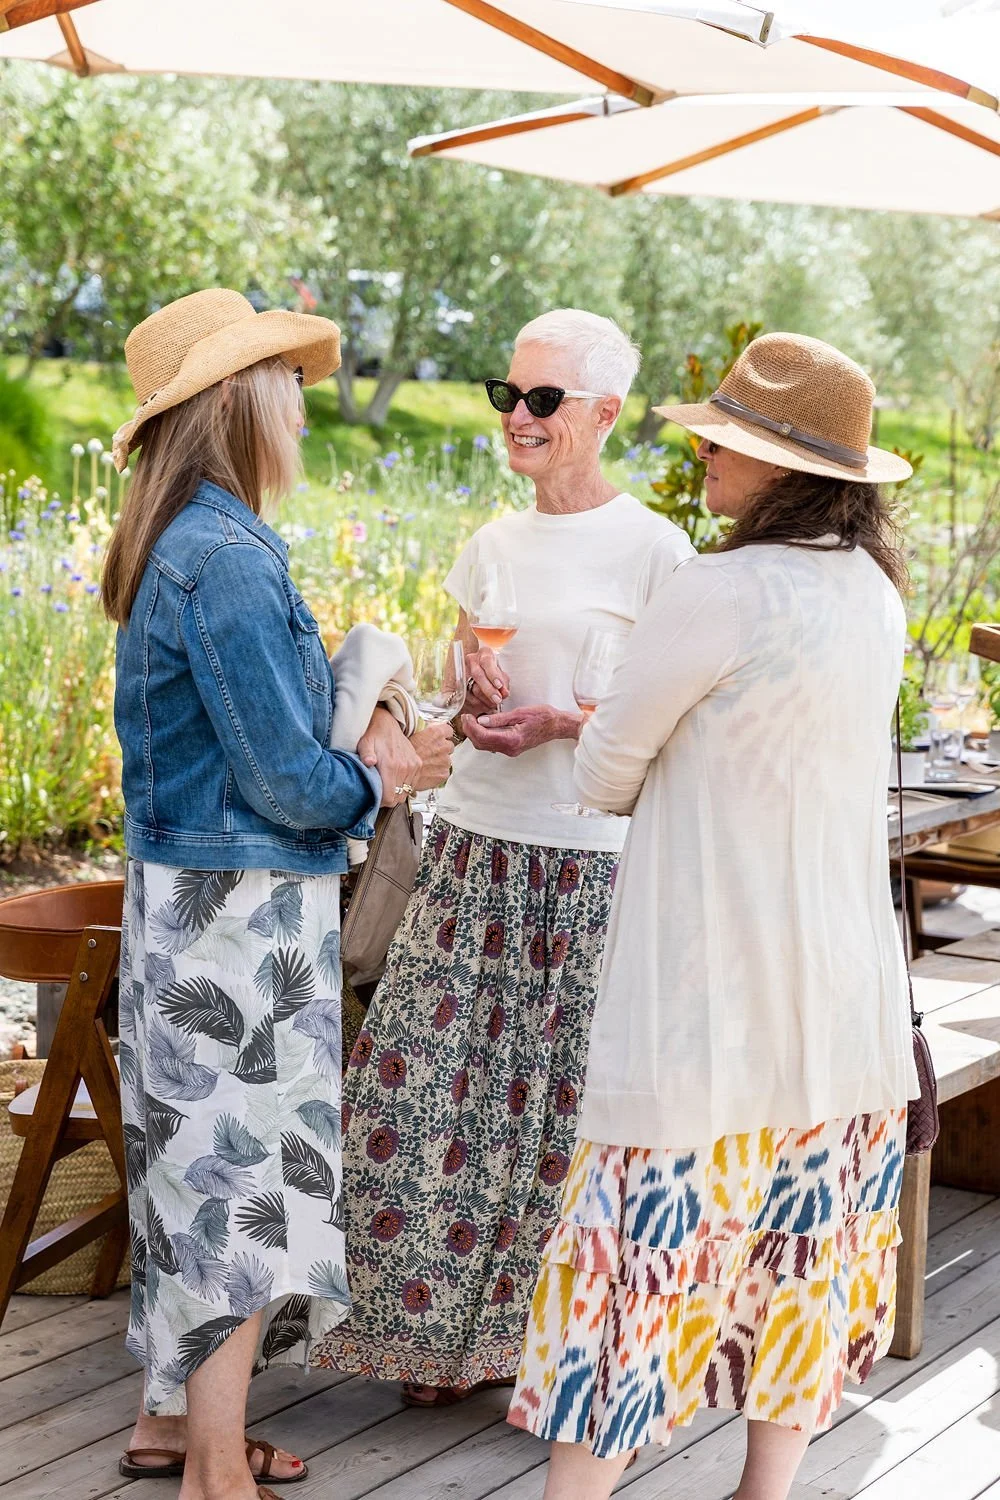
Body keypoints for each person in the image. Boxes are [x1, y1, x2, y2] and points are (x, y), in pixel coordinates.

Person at [507, 332, 922, 1500]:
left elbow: (601, 775)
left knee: (632, 1269)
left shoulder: (716, 587)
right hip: (841, 1006)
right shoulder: (872, 594)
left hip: (705, 999)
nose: (698, 450)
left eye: (722, 438)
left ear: (783, 468)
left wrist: (601, 722)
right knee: (804, 1267)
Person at [101, 289, 452, 1500]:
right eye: (287, 380)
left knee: (190, 1184)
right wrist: (381, 774)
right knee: (239, 1202)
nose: (302, 403)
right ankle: (211, 1471)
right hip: (241, 930)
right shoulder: (230, 557)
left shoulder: (183, 539)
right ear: (241, 400)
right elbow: (290, 780)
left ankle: (170, 1430)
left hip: (189, 915)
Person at [314, 308, 695, 1404]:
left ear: (605, 415)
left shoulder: (657, 552)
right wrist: (465, 686)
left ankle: (535, 1350)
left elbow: (671, 718)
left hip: (587, 863)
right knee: (427, 1089)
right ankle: (428, 1345)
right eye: (507, 395)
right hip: (474, 844)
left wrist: (567, 723)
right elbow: (462, 664)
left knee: (558, 1108)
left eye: (542, 401)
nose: (516, 419)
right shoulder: (490, 542)